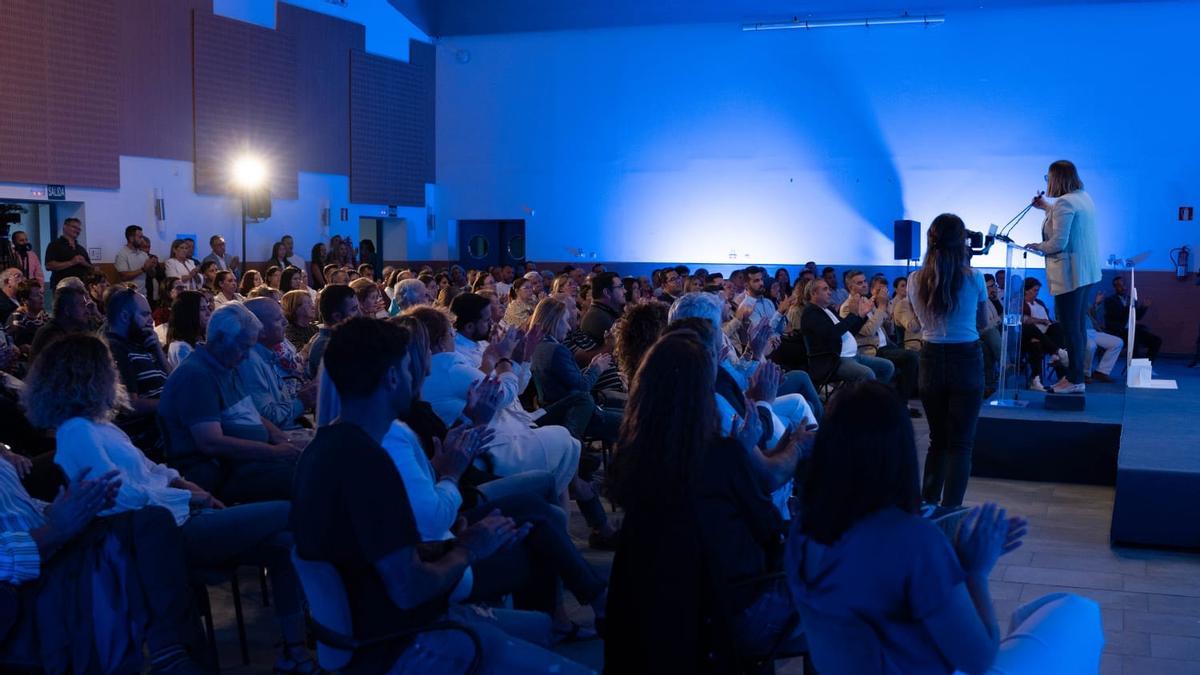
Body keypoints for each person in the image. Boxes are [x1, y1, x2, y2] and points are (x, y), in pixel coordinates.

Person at [291, 317, 593, 674]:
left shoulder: (324, 448)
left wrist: (453, 540)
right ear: (391, 377)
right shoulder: (369, 464)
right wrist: (469, 547)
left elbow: (374, 551)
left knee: (536, 625)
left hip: (365, 630)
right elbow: (410, 588)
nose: (417, 377)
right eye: (407, 369)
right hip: (402, 641)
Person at [25, 333, 316, 673]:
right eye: (109, 366)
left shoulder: (100, 427)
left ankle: (294, 651)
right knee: (292, 511)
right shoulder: (76, 432)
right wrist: (188, 495)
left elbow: (152, 469)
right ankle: (333, 619)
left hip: (179, 514)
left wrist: (180, 481)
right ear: (88, 376)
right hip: (169, 532)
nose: (116, 372)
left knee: (284, 543)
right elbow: (120, 496)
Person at [786, 381, 1102, 674]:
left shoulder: (801, 533)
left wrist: (951, 566)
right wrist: (975, 573)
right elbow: (978, 658)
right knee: (1079, 614)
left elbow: (873, 592)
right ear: (901, 452)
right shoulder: (914, 543)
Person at [606, 330, 807, 672]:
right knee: (839, 589)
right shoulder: (719, 456)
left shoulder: (630, 458)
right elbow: (770, 531)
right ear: (703, 394)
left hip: (661, 618)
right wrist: (790, 448)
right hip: (729, 612)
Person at [0, 446, 207, 674]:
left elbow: (20, 507)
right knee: (148, 532)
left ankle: (170, 651)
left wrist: (76, 506)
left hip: (51, 542)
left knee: (152, 523)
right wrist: (55, 529)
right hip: (27, 574)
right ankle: (171, 653)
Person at [158, 302, 303, 503]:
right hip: (222, 473)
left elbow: (252, 414)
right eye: (244, 347)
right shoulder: (196, 375)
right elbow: (210, 443)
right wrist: (273, 452)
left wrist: (282, 440)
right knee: (309, 476)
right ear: (220, 340)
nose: (246, 356)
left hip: (247, 462)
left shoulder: (226, 364)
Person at [908, 213, 988, 507]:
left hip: (930, 359)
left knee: (937, 441)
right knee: (961, 444)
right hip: (965, 358)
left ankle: (927, 505)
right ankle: (951, 511)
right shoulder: (974, 278)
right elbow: (982, 323)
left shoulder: (915, 280)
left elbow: (919, 319)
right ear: (962, 241)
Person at [1025, 160, 1100, 394]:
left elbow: (1059, 242)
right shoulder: (1082, 198)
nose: (1047, 183)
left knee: (1070, 329)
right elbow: (1066, 220)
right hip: (1085, 273)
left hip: (1069, 275)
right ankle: (1075, 377)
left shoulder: (1065, 202)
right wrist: (1046, 207)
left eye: (1048, 178)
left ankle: (1075, 378)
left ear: (1057, 179)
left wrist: (1035, 246)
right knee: (1077, 328)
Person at [238, 298, 316, 430]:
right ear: (259, 328)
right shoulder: (249, 362)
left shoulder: (267, 355)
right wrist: (302, 401)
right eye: (278, 319)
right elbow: (269, 418)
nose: (285, 322)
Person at [799, 278, 876, 384]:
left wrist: (862, 315)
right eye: (825, 289)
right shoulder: (810, 313)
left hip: (852, 356)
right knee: (867, 374)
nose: (830, 292)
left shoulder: (828, 309)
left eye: (829, 289)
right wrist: (853, 314)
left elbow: (848, 331)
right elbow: (833, 333)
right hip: (834, 361)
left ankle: (878, 396)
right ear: (813, 293)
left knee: (887, 367)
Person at [302, 284, 359, 379]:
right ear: (337, 316)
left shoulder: (342, 338)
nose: (358, 314)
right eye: (354, 309)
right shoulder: (327, 346)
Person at [1103, 275, 1161, 363]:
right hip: (1120, 331)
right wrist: (1127, 306)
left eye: (1124, 285)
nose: (1123, 288)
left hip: (1133, 330)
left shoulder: (1131, 299)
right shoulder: (1110, 300)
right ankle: (1134, 366)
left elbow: (1137, 317)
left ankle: (1146, 365)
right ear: (1115, 287)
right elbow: (1117, 316)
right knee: (1135, 338)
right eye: (1119, 286)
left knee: (1156, 341)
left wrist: (1144, 307)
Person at [30, 285, 94, 359]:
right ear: (67, 310)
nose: (87, 311)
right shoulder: (50, 336)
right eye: (82, 306)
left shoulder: (77, 330)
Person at [164, 290, 210, 369]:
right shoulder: (181, 347)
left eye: (207, 308)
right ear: (189, 314)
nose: (208, 313)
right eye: (202, 309)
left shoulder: (201, 339)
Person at [1085, 289, 1122, 383]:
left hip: (1093, 331)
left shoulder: (1084, 301)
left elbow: (1092, 314)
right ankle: (1084, 374)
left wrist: (1096, 303)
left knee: (1117, 342)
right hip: (1079, 332)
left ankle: (1101, 372)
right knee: (1091, 346)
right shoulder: (1065, 301)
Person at [43, 217, 93, 287]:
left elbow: (91, 268)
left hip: (81, 287)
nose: (77, 230)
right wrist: (71, 262)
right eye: (74, 227)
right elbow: (49, 266)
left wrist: (84, 263)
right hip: (62, 287)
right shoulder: (54, 245)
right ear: (65, 226)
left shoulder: (81, 249)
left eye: (79, 229)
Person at [579, 272, 625, 343]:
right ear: (606, 292)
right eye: (620, 287)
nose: (625, 291)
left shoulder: (602, 312)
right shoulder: (597, 317)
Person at [112, 225, 156, 296]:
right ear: (131, 238)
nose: (142, 240)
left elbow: (152, 274)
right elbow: (124, 277)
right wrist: (143, 269)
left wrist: (151, 266)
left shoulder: (143, 254)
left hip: (143, 294)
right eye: (140, 237)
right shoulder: (122, 254)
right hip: (128, 296)